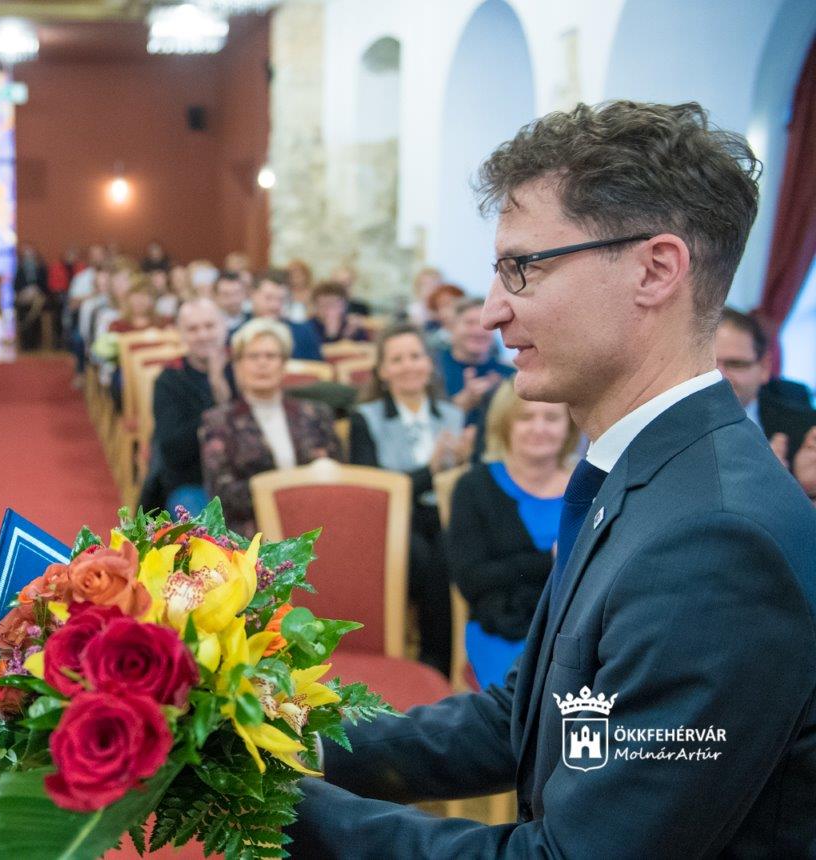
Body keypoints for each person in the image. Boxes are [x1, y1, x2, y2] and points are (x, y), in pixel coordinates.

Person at [292, 101, 816, 856]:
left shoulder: (717, 542)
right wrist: (279, 737)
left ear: (655, 270)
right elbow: (535, 717)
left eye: (523, 267)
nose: (492, 311)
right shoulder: (648, 469)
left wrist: (278, 806)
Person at [348, 324, 470, 675]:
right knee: (427, 558)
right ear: (383, 372)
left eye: (415, 356)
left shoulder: (451, 415)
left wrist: (462, 464)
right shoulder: (365, 418)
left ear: (429, 364)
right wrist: (430, 471)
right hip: (393, 521)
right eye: (397, 360)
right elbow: (373, 491)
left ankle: (454, 660)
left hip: (444, 515)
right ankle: (433, 660)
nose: (408, 366)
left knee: (452, 547)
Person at [446, 380, 576, 688]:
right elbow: (472, 579)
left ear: (569, 427)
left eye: (551, 418)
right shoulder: (474, 487)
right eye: (526, 417)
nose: (539, 428)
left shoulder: (588, 486)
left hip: (578, 626)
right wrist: (550, 561)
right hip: (502, 628)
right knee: (535, 694)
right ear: (505, 424)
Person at [199, 318, 339, 536]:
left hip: (316, 523)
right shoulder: (218, 422)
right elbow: (224, 495)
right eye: (253, 356)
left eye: (271, 356)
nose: (262, 363)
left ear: (283, 364)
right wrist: (292, 489)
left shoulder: (315, 414)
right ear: (238, 366)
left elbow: (338, 476)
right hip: (252, 534)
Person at [149, 299, 235, 515]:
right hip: (194, 480)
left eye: (209, 326)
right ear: (181, 335)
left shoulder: (243, 367)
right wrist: (217, 400)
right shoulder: (170, 380)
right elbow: (172, 449)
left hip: (246, 477)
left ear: (224, 327)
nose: (203, 335)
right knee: (200, 527)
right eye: (193, 329)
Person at [715, 308, 816, 469]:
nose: (720, 376)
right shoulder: (673, 422)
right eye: (709, 365)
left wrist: (800, 483)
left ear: (764, 367)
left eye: (735, 364)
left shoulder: (805, 429)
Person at [437, 296, 514, 421]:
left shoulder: (510, 376)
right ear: (452, 327)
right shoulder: (432, 370)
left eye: (484, 324)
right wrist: (463, 403)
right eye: (470, 323)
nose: (478, 331)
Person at [231, 272, 324, 361]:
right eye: (268, 298)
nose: (275, 306)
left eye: (281, 299)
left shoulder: (303, 334)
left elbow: (317, 369)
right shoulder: (237, 332)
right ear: (252, 295)